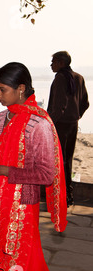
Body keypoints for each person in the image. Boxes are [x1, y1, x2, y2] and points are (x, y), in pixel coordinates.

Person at [0, 62, 67, 271]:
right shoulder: (1, 118)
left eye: (2, 90)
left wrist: (2, 170)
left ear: (21, 88)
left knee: (15, 268)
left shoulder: (39, 124)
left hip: (21, 210)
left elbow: (46, 174)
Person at [47, 51, 89, 207]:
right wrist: (76, 116)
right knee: (67, 159)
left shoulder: (60, 78)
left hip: (61, 125)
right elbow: (85, 103)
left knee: (59, 160)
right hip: (72, 124)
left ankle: (63, 195)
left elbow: (58, 106)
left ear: (61, 63)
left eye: (53, 62)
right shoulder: (78, 77)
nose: (51, 65)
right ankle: (67, 194)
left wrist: (49, 123)